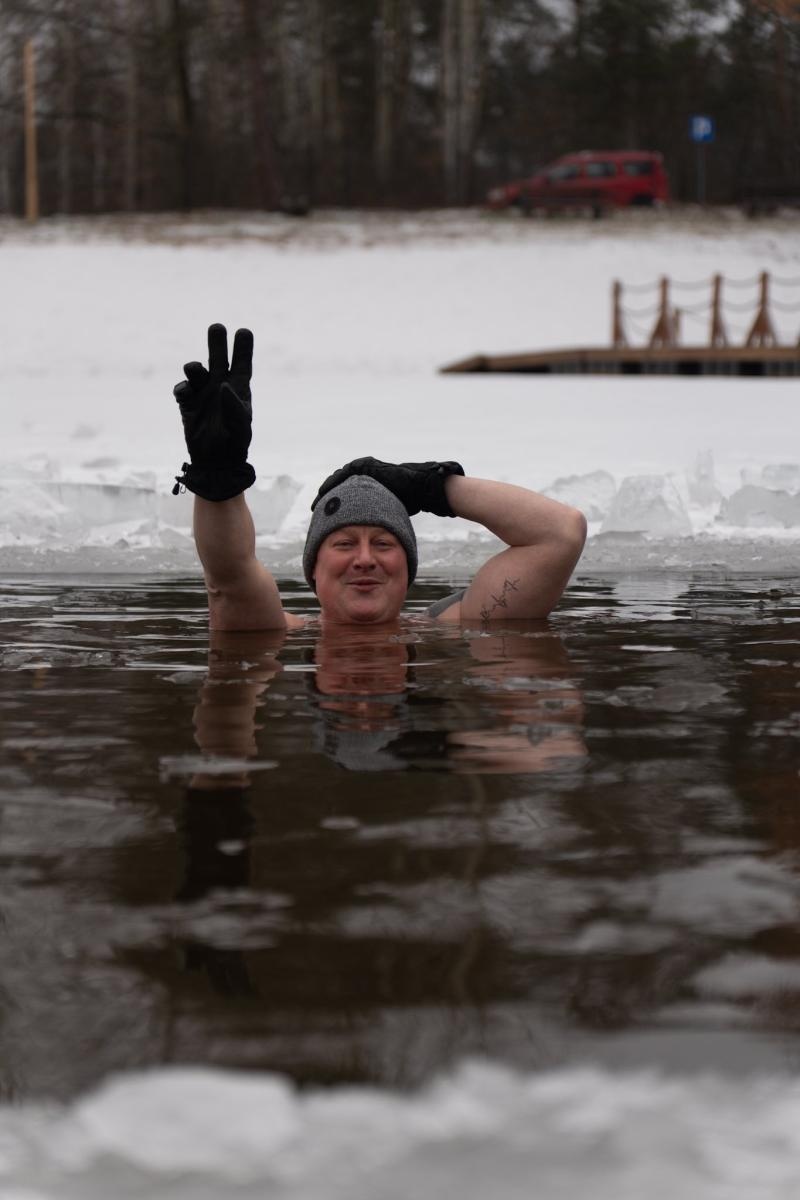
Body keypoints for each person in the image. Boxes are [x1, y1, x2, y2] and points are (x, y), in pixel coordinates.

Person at [173, 324, 587, 631]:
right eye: (344, 543)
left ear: (408, 567)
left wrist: (434, 486)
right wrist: (218, 478)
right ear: (313, 569)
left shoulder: (452, 626)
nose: (366, 559)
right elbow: (229, 575)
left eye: (385, 543)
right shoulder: (276, 633)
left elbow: (560, 533)